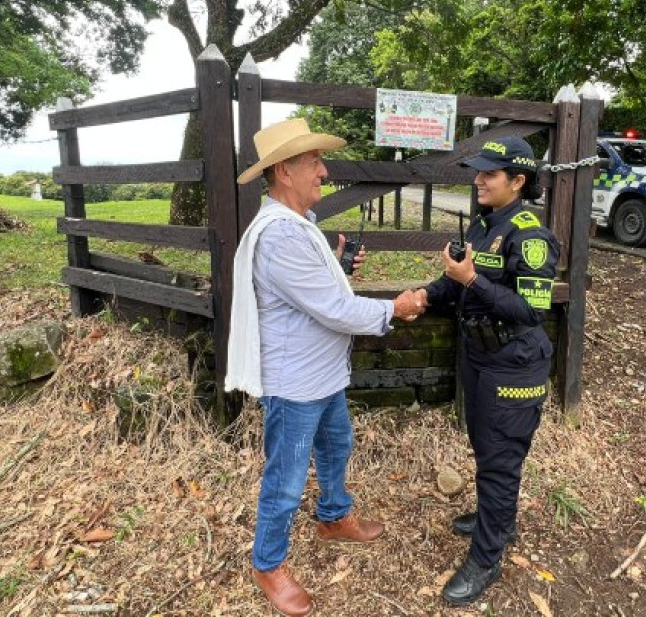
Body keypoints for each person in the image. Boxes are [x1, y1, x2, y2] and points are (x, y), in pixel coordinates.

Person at [226, 118, 422, 617]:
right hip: (296, 383)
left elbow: (316, 289)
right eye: (314, 162)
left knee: (337, 443)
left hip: (322, 374)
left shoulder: (300, 226)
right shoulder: (280, 237)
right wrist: (392, 310)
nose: (324, 170)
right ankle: (268, 564)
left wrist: (335, 262)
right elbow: (334, 309)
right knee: (286, 477)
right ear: (285, 171)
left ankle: (333, 517)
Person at [412, 136, 559, 606]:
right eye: (478, 172)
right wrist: (424, 297)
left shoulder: (531, 237)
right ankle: (498, 516)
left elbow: (532, 309)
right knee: (484, 445)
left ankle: (488, 555)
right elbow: (456, 280)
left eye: (489, 174)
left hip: (514, 365)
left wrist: (472, 280)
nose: (478, 180)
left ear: (517, 182)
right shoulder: (483, 225)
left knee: (499, 461)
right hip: (480, 360)